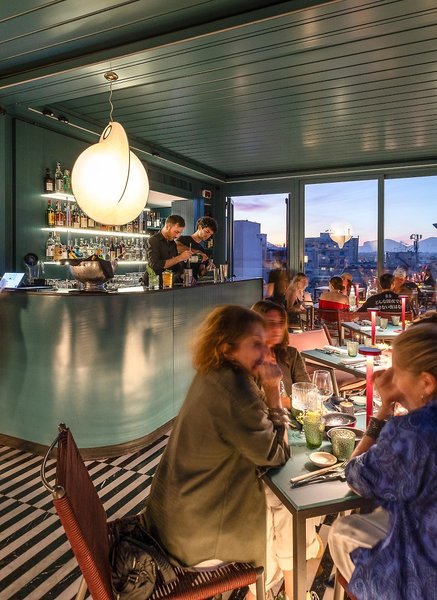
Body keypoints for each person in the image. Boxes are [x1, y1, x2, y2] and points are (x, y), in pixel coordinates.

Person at [140, 305, 291, 594]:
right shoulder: (235, 389)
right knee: (284, 509)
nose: (265, 351)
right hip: (197, 536)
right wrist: (273, 390)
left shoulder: (213, 373)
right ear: (226, 348)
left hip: (172, 517)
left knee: (278, 506)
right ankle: (272, 586)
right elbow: (275, 456)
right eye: (255, 344)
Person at [328, 313, 437, 600]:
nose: (391, 378)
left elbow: (355, 475)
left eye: (397, 370)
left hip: (423, 581)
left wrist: (384, 407)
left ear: (426, 383)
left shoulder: (413, 434)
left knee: (342, 530)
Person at [251, 300, 310, 407]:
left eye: (281, 322)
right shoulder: (246, 360)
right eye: (271, 323)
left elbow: (307, 390)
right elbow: (255, 402)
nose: (277, 328)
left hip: (295, 414)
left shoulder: (291, 354)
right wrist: (292, 402)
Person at [146, 214, 193, 284]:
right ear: (168, 226)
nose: (178, 236)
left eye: (180, 233)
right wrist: (180, 258)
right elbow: (155, 265)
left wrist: (182, 275)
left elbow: (174, 267)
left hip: (168, 283)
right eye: (176, 232)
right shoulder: (153, 240)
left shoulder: (173, 243)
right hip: (153, 284)